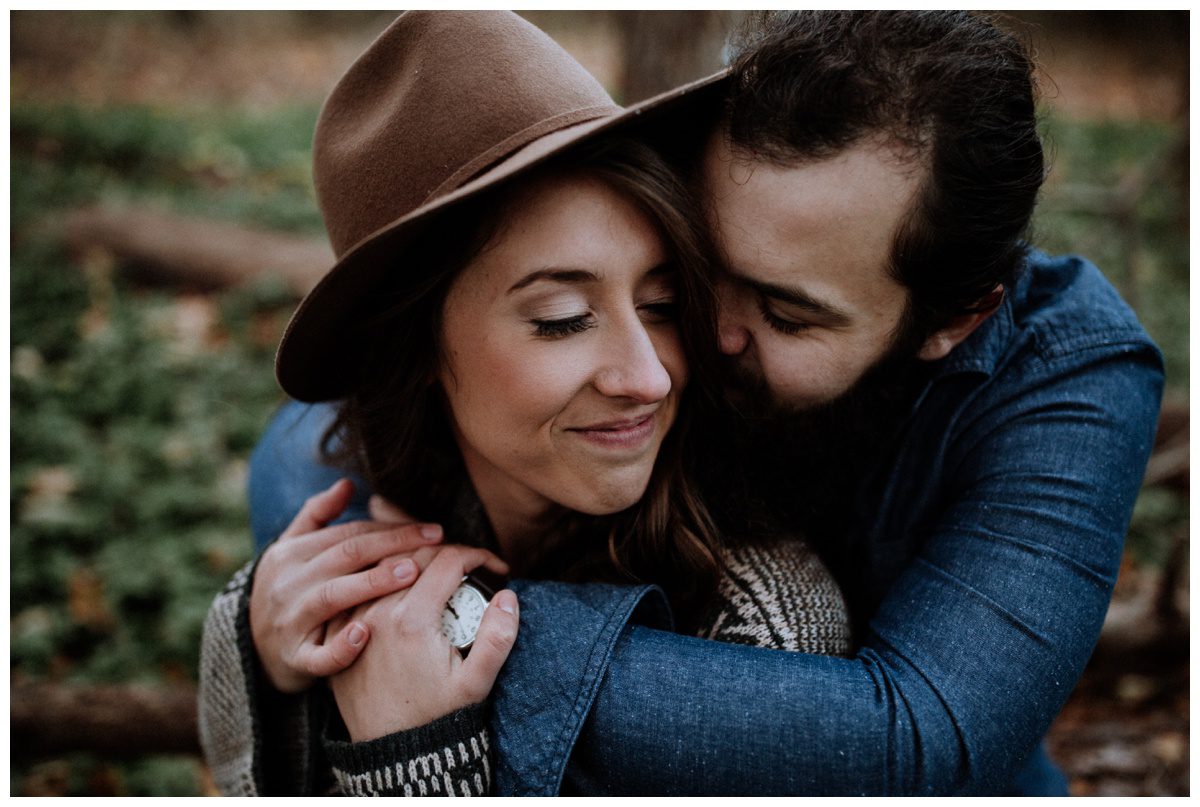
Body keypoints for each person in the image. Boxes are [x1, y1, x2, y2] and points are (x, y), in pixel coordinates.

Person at [242, 10, 1165, 796]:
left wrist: (440, 621)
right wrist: (307, 601)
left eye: (785, 314)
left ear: (953, 320)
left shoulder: (1070, 373)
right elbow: (312, 439)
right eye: (695, 271)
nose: (688, 346)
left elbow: (915, 739)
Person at [197, 11, 852, 797]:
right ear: (415, 350)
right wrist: (259, 658)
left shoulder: (767, 630)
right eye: (562, 320)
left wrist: (415, 762)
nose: (647, 377)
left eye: (663, 304)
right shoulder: (353, 524)